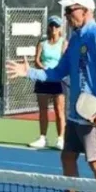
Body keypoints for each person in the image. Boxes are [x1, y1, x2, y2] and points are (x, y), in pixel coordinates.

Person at [5, 0, 96, 192]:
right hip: (75, 116)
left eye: (71, 10)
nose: (67, 16)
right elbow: (57, 73)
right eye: (66, 11)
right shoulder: (75, 40)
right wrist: (30, 72)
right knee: (67, 158)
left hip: (93, 118)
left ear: (86, 10)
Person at [28, 15, 69, 150]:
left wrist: (57, 70)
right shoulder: (42, 43)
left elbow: (65, 60)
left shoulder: (64, 43)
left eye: (56, 26)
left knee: (59, 110)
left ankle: (61, 139)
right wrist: (43, 68)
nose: (53, 28)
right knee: (43, 110)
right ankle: (42, 138)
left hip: (58, 79)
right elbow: (37, 60)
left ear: (60, 28)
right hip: (43, 78)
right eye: (51, 25)